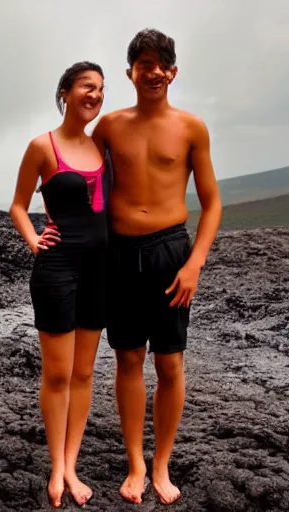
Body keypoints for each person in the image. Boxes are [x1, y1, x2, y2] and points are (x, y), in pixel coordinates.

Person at [92, 28, 222, 505]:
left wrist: (194, 265)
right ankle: (135, 463)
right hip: (121, 254)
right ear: (130, 72)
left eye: (162, 62)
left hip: (171, 252)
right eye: (143, 63)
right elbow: (87, 187)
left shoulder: (191, 128)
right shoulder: (108, 128)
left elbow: (212, 205)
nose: (153, 70)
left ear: (173, 71)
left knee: (169, 362)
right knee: (127, 358)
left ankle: (162, 464)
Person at [10, 61, 110, 508]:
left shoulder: (102, 146)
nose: (95, 95)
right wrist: (33, 238)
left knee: (85, 372)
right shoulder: (42, 147)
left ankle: (73, 462)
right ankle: (57, 467)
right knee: (57, 374)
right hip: (56, 269)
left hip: (99, 269)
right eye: (87, 87)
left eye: (101, 90)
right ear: (65, 92)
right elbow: (17, 204)